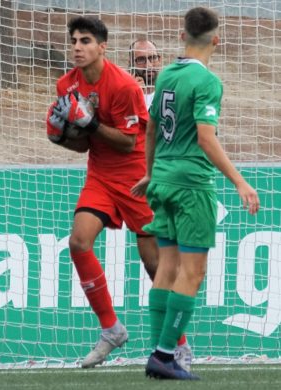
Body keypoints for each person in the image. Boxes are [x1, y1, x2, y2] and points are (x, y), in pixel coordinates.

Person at [131, 6, 259, 380]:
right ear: (217, 40)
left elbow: (151, 130)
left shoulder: (167, 72)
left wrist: (151, 174)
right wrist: (239, 180)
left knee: (166, 269)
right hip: (191, 186)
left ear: (182, 36)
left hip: (163, 182)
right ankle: (166, 354)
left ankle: (160, 356)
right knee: (193, 271)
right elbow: (206, 138)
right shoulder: (208, 82)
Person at [46, 16, 158, 368]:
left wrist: (89, 123)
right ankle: (111, 329)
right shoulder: (67, 84)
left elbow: (127, 143)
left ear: (102, 47)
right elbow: (83, 145)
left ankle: (178, 345)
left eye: (85, 41)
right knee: (78, 243)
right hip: (100, 175)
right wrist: (63, 136)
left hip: (137, 175)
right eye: (74, 41)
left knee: (155, 266)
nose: (77, 47)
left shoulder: (125, 86)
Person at [129, 38, 194, 372]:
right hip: (139, 187)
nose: (148, 64)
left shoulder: (171, 89)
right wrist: (134, 93)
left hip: (171, 184)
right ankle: (171, 348)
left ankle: (173, 346)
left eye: (153, 57)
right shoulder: (127, 93)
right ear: (132, 64)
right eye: (141, 59)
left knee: (178, 268)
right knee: (155, 267)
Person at [128, 39, 162, 109]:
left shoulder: (169, 91)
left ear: (159, 59)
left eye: (152, 58)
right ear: (130, 63)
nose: (148, 66)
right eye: (141, 59)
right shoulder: (123, 94)